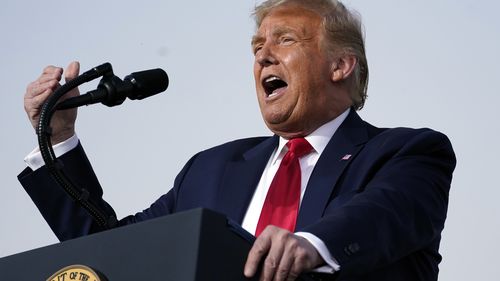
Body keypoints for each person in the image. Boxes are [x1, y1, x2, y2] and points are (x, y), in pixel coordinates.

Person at [19, 0, 456, 280]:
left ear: (341, 65)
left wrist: (309, 243)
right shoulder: (210, 170)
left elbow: (383, 214)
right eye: (256, 46)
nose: (263, 54)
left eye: (284, 40)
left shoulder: (408, 153)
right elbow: (109, 250)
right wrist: (57, 136)